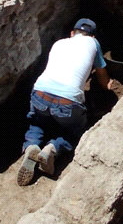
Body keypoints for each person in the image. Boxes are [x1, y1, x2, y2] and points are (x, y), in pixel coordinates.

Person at [17, 18, 110, 186]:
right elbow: (102, 74)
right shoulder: (93, 43)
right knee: (75, 130)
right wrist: (106, 87)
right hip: (68, 101)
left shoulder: (59, 43)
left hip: (40, 92)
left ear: (72, 33)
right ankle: (52, 149)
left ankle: (31, 146)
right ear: (93, 36)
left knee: (37, 122)